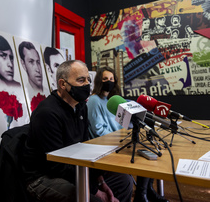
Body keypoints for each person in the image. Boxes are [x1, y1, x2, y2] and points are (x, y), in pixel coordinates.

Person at [22, 60, 133, 202]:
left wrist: (100, 182)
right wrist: (95, 190)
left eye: (88, 79)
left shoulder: (81, 106)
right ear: (62, 84)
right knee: (92, 199)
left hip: (73, 168)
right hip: (43, 177)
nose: (87, 84)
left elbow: (85, 147)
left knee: (124, 181)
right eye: (81, 80)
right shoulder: (47, 113)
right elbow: (57, 165)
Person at [87, 66, 168, 202]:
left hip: (117, 141)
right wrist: (119, 138)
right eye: (105, 79)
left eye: (112, 79)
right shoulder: (94, 100)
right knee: (141, 153)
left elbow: (122, 124)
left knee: (148, 149)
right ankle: (141, 195)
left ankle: (147, 191)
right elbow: (98, 130)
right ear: (99, 81)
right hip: (104, 145)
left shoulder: (113, 100)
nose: (109, 81)